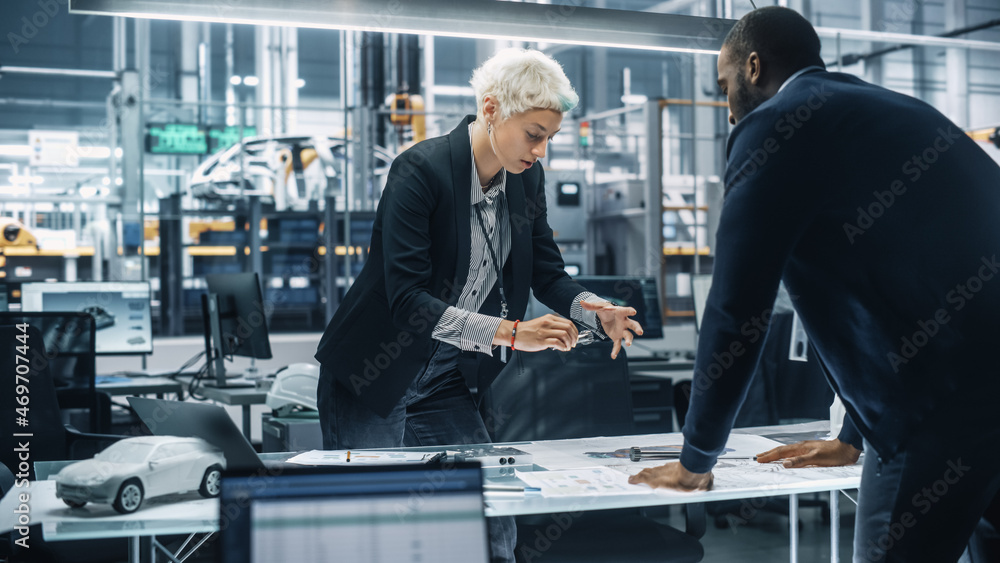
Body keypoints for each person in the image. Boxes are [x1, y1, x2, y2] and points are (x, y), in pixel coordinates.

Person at [628, 7, 1000, 562]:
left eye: (725, 88)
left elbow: (736, 308)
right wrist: (853, 433)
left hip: (935, 412)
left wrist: (696, 460)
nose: (728, 112)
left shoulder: (774, 127)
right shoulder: (895, 113)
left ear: (754, 67)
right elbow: (912, 288)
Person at [314, 48, 643, 563]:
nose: (541, 151)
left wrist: (595, 309)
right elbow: (406, 303)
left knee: (492, 515)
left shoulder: (524, 179)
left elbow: (546, 272)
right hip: (373, 373)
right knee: (374, 529)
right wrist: (513, 332)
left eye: (550, 138)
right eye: (534, 134)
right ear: (491, 110)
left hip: (443, 374)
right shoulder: (419, 173)